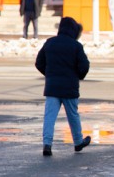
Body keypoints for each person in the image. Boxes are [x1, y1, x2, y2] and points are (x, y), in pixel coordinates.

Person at [35, 17, 91, 156]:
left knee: (49, 117)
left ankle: (47, 145)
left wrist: (49, 74)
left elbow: (39, 62)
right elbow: (84, 66)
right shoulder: (76, 46)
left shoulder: (50, 43)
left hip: (52, 87)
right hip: (70, 88)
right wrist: (77, 76)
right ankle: (78, 142)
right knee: (73, 116)